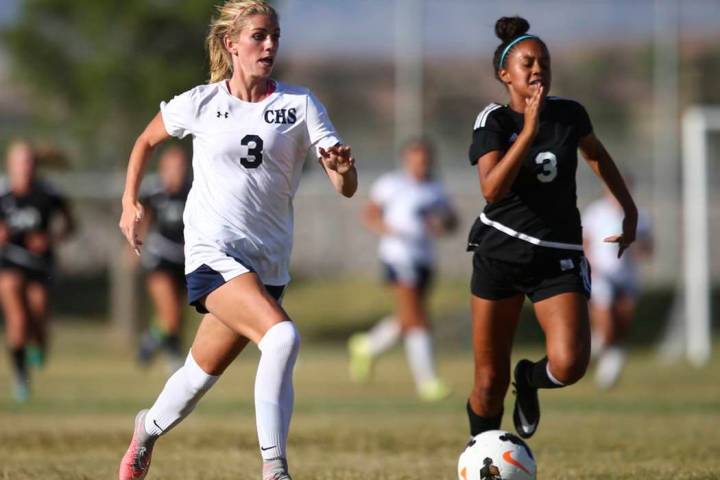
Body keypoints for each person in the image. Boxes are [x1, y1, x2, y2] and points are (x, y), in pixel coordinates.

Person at [117, 2, 357, 479]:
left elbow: (345, 186)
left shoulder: (300, 103)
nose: (269, 45)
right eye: (259, 36)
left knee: (197, 376)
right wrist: (130, 202)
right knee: (283, 336)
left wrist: (342, 170)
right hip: (211, 253)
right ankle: (275, 468)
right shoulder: (202, 102)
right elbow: (146, 140)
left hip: (266, 266)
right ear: (232, 44)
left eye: (275, 36)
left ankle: (146, 429)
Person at [465, 16, 638, 440]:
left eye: (544, 61)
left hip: (556, 254)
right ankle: (481, 454)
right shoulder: (495, 121)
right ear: (505, 74)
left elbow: (596, 154)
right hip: (500, 252)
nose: (538, 68)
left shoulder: (569, 115)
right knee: (488, 384)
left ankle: (528, 380)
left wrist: (628, 208)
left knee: (570, 363)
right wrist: (528, 129)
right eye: (527, 63)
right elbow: (491, 189)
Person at [348, 137, 457, 401]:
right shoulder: (392, 184)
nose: (420, 164)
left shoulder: (436, 189)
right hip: (398, 257)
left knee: (408, 318)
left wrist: (442, 226)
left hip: (424, 259)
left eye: (425, 159)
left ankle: (367, 346)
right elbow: (370, 214)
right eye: (415, 159)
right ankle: (427, 382)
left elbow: (452, 221)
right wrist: (391, 231)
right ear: (406, 160)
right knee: (418, 320)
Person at [0, 139, 75, 402]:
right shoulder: (3, 195)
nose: (25, 167)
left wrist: (50, 239)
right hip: (9, 262)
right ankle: (20, 375)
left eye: (29, 161)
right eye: (20, 162)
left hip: (40, 265)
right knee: (17, 320)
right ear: (10, 165)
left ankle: (39, 343)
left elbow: (70, 226)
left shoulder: (49, 194)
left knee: (39, 310)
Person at [583, 183, 653, 389]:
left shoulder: (639, 215)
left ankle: (605, 357)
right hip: (601, 274)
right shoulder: (596, 212)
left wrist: (636, 246)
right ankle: (600, 358)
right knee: (607, 324)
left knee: (623, 322)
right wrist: (589, 266)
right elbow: (585, 241)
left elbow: (648, 248)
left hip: (627, 276)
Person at [136, 145, 191, 372]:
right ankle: (174, 359)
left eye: (179, 167)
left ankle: (151, 338)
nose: (174, 172)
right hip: (160, 257)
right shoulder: (154, 192)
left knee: (176, 316)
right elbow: (142, 220)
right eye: (169, 167)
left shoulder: (194, 190)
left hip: (186, 259)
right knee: (169, 313)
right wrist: (133, 246)